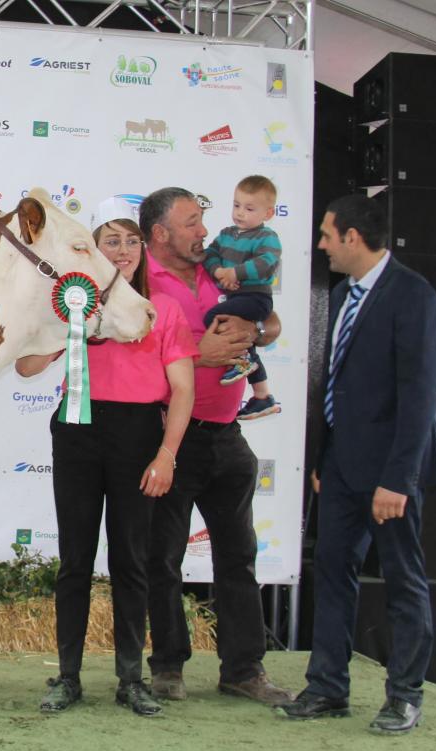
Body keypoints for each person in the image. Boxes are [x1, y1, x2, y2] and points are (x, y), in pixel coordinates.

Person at [17, 197, 196, 717]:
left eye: (130, 240)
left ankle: (130, 679)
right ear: (93, 249)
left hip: (138, 436)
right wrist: (63, 329)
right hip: (76, 430)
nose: (121, 251)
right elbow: (27, 368)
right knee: (74, 560)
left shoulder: (164, 306)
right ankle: (67, 677)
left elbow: (182, 390)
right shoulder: (73, 302)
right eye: (109, 241)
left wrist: (166, 456)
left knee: (131, 562)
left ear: (144, 247)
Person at [277, 195, 436, 735]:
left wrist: (397, 480)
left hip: (392, 474)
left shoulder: (414, 295)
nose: (322, 245)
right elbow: (338, 388)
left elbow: (419, 396)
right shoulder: (346, 293)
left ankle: (405, 696)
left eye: (327, 235)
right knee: (331, 574)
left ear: (353, 237)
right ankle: (328, 687)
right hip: (344, 468)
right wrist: (326, 459)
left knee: (402, 581)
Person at [138, 187, 292, 706]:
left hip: (228, 436)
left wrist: (261, 329)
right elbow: (125, 357)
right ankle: (167, 668)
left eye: (203, 220)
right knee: (163, 559)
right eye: (190, 223)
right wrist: (194, 352)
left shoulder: (220, 267)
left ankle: (244, 670)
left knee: (239, 557)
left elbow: (269, 320)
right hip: (170, 438)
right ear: (160, 234)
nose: (204, 231)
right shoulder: (137, 281)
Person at [203, 175, 283, 421]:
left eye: (249, 208)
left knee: (214, 317)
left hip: (256, 298)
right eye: (236, 205)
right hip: (235, 296)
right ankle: (261, 395)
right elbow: (210, 254)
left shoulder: (267, 237)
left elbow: (265, 263)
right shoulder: (226, 234)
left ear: (268, 213)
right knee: (235, 334)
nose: (240, 213)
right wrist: (219, 271)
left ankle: (244, 360)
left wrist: (234, 273)